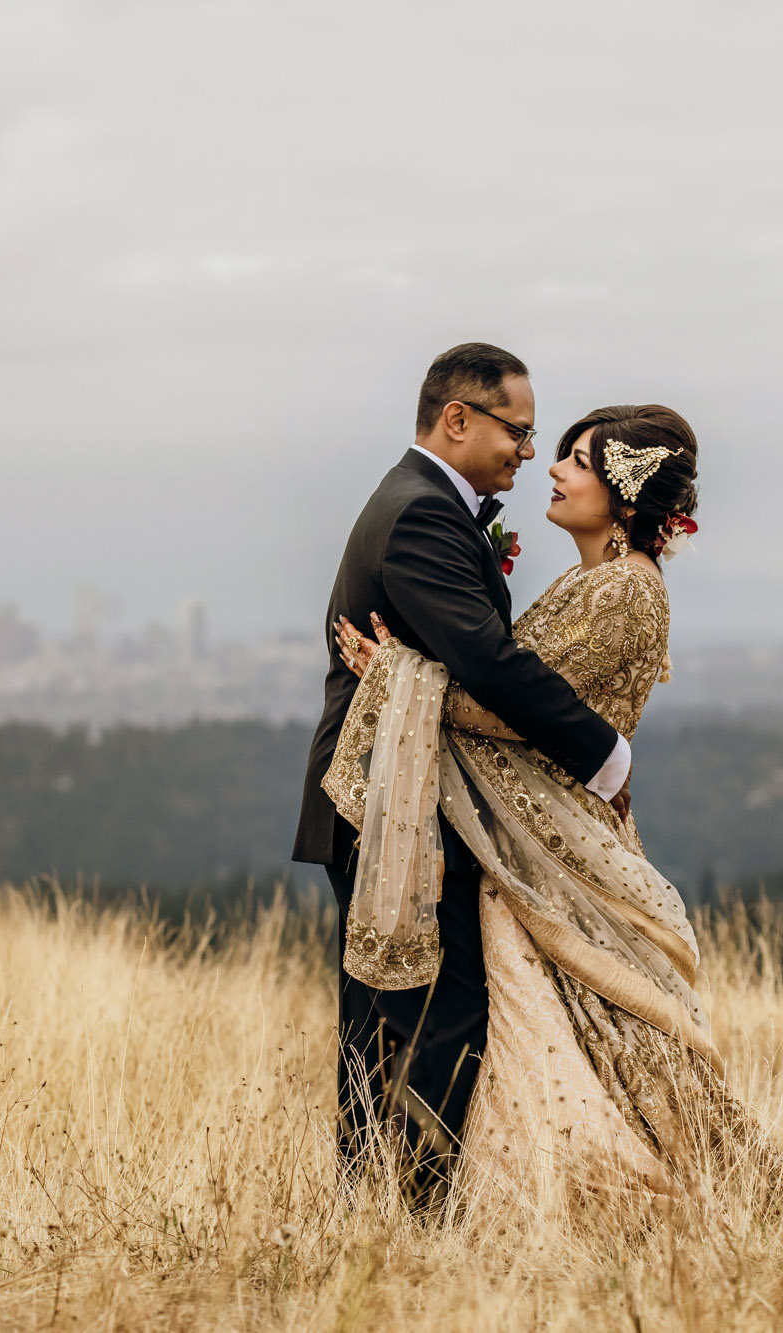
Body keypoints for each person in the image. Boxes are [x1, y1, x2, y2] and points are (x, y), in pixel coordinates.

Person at [327, 402, 783, 1211]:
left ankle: (590, 1196)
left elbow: (522, 707)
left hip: (551, 844)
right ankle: (476, 1198)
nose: (554, 468)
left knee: (569, 1021)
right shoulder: (592, 580)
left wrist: (394, 672)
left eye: (578, 459)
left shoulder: (623, 592)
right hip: (528, 837)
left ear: (622, 493)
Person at [292, 342, 633, 1205]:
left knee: (385, 1013)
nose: (529, 450)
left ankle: (369, 1202)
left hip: (392, 796)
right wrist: (603, 752)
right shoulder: (421, 515)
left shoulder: (424, 505)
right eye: (518, 431)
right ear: (458, 419)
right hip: (394, 804)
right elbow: (486, 659)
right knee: (444, 1010)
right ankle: (416, 1209)